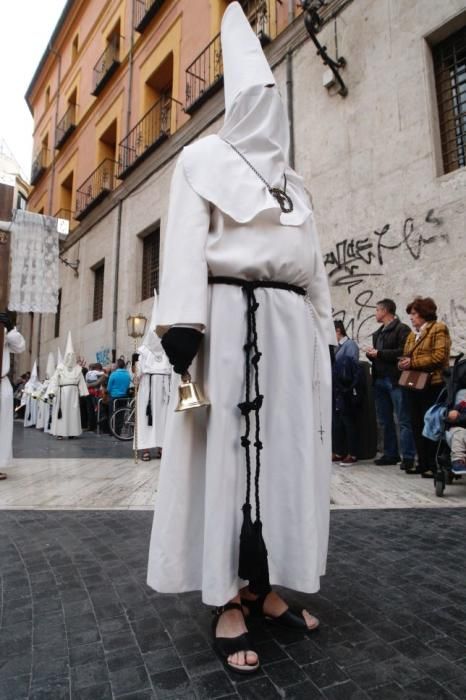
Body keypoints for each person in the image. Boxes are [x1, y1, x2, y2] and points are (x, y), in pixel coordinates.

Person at [147, 2, 335, 675]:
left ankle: (268, 583)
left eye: (272, 95)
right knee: (224, 455)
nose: (267, 104)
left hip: (287, 334)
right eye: (256, 94)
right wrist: (184, 330)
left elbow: (315, 270)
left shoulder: (296, 185)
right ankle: (227, 594)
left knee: (283, 458)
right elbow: (184, 247)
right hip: (226, 327)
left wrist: (323, 338)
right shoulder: (201, 159)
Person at [399, 297, 451, 477]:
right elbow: (406, 355)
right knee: (416, 423)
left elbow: (439, 356)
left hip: (432, 384)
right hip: (414, 384)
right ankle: (422, 462)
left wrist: (412, 362)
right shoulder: (413, 335)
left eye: (414, 314)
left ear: (424, 313)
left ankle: (432, 464)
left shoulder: (438, 328)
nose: (411, 318)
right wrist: (403, 363)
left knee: (430, 422)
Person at [365, 299, 416, 469]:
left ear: (385, 311)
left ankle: (408, 456)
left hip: (395, 380)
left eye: (377, 310)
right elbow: (380, 355)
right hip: (379, 380)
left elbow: (404, 352)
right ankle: (390, 454)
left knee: (403, 419)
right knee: (384, 420)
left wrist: (379, 353)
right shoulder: (378, 333)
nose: (375, 313)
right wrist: (372, 355)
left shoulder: (402, 329)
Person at [134, 291, 171, 461]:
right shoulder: (143, 352)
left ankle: (163, 447)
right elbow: (137, 373)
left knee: (163, 418)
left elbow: (172, 370)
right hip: (148, 390)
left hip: (164, 390)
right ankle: (146, 448)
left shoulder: (168, 351)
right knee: (147, 418)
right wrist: (135, 369)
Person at [47, 332, 89, 439]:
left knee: (73, 413)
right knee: (62, 413)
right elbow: (54, 381)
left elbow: (81, 382)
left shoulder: (78, 369)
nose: (70, 357)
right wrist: (52, 392)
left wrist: (83, 392)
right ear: (66, 357)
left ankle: (72, 432)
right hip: (62, 395)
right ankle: (60, 433)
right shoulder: (60, 368)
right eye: (68, 355)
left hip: (74, 394)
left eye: (72, 355)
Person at [0, 311, 25, 480]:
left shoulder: (3, 332)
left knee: (2, 427)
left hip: (2, 384)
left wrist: (9, 329)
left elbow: (20, 346)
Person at [332, 320, 361, 465]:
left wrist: (347, 387)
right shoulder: (336, 346)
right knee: (337, 421)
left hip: (346, 390)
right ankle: (339, 451)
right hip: (336, 389)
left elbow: (351, 368)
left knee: (348, 421)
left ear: (338, 330)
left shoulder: (350, 346)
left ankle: (352, 453)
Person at [445, 389, 466, 475]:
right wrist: (452, 413)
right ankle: (458, 460)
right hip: (462, 428)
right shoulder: (462, 404)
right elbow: (453, 413)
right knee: (457, 433)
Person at [35, 352, 56, 431]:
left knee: (50, 414)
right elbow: (42, 389)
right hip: (46, 400)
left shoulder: (52, 381)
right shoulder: (47, 381)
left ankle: (49, 427)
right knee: (46, 414)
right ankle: (47, 426)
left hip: (51, 399)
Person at [22, 360, 41, 427]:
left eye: (35, 377)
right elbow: (25, 392)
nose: (34, 378)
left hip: (36, 400)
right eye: (33, 377)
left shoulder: (39, 384)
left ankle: (35, 422)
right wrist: (23, 401)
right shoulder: (28, 384)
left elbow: (40, 391)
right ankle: (29, 423)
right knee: (29, 411)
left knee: (35, 411)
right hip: (29, 400)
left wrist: (36, 393)